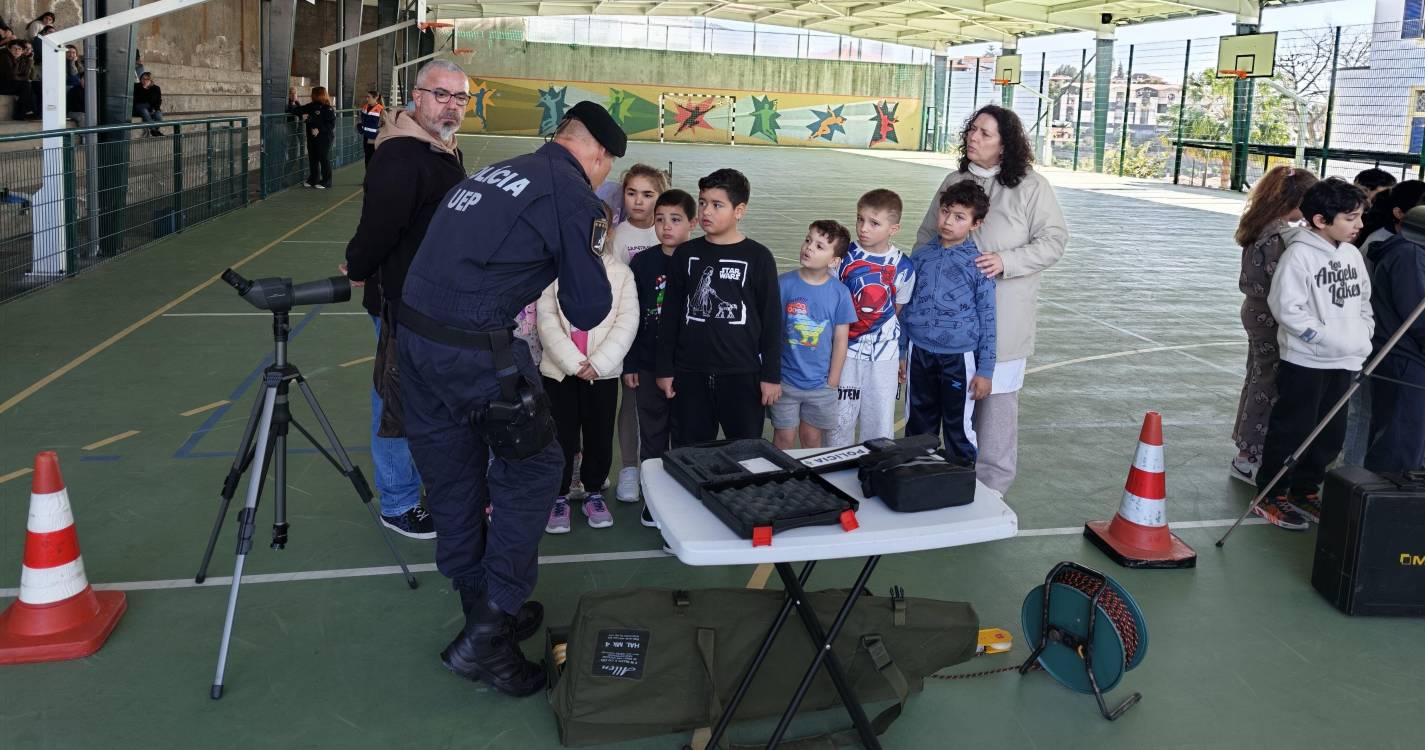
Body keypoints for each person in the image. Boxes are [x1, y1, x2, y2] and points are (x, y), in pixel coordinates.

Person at [397, 100, 621, 697]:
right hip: (475, 351)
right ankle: (488, 632)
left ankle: (481, 609)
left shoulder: (499, 169)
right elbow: (589, 307)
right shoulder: (572, 196)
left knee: (452, 477)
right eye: (607, 168)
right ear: (596, 154)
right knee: (536, 471)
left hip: (413, 344)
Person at [342, 60, 468, 540]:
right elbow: (379, 227)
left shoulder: (443, 148)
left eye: (460, 98)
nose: (451, 105)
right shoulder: (402, 157)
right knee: (393, 402)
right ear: (417, 96)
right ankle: (397, 502)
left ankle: (422, 486)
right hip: (402, 303)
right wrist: (359, 265)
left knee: (423, 401)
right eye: (441, 95)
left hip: (431, 303)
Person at [915, 105, 1067, 493]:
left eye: (984, 133)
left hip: (1004, 317)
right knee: (945, 406)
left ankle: (992, 489)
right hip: (946, 327)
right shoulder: (955, 180)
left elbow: (1053, 241)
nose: (973, 137)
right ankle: (939, 480)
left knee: (995, 407)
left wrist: (1006, 261)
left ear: (1005, 145)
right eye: (972, 130)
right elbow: (925, 238)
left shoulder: (1031, 187)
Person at [1255, 177, 1373, 530]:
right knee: (1293, 427)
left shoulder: (1352, 254)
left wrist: (1362, 333)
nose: (1360, 225)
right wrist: (1321, 337)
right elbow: (1287, 308)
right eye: (1351, 218)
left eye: (1360, 217)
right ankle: (1271, 493)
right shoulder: (1299, 255)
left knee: (1330, 431)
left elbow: (1364, 300)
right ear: (1321, 220)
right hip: (1307, 360)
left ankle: (1305, 490)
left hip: (1348, 358)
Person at [656, 169, 782, 446]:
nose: (705, 211)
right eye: (702, 202)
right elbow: (671, 315)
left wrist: (771, 375)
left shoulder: (759, 257)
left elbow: (772, 320)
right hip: (690, 374)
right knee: (689, 451)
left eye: (717, 205)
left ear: (739, 210)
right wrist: (665, 368)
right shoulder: (685, 255)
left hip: (742, 374)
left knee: (745, 452)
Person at [539, 226, 639, 533]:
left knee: (599, 434)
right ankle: (558, 496)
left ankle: (593, 491)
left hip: (603, 374)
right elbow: (547, 320)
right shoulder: (553, 270)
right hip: (560, 373)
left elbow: (627, 321)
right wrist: (572, 362)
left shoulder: (621, 274)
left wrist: (599, 363)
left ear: (606, 233)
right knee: (561, 436)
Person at [1229, 166, 1318, 483]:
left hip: (1257, 312)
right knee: (1267, 385)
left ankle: (1246, 448)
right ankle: (1250, 455)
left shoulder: (1262, 224)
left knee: (1258, 378)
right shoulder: (1280, 236)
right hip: (1271, 316)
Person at [903, 182, 997, 463]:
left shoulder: (979, 265)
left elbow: (989, 319)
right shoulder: (920, 257)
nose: (948, 221)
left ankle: (961, 482)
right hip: (918, 353)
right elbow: (907, 308)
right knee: (918, 423)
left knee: (958, 427)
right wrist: (900, 351)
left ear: (975, 224)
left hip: (959, 359)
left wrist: (986, 370)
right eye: (945, 212)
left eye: (959, 217)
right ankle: (918, 478)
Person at [625, 189, 695, 527]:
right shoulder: (643, 263)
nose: (666, 226)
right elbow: (633, 316)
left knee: (685, 432)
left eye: (676, 219)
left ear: (692, 224)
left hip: (688, 367)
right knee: (652, 433)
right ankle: (654, 498)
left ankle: (682, 495)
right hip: (649, 364)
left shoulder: (699, 261)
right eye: (660, 219)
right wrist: (631, 363)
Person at [830, 189, 915, 447]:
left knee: (878, 422)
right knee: (838, 420)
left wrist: (898, 352)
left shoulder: (903, 267)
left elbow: (896, 311)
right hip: (845, 354)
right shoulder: (842, 257)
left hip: (884, 360)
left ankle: (876, 473)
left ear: (894, 228)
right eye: (860, 219)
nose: (863, 228)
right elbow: (831, 302)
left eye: (874, 223)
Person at [606, 164, 669, 503]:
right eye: (632, 194)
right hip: (626, 334)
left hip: (662, 335)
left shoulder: (669, 234)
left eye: (648, 195)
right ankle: (629, 467)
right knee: (630, 400)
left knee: (661, 403)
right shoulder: (617, 237)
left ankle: (657, 466)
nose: (639, 202)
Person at [772, 221, 855, 450]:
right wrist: (771, 375)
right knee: (784, 438)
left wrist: (833, 381)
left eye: (820, 246)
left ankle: (810, 483)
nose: (808, 247)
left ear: (834, 260)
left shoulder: (840, 293)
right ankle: (779, 481)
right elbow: (771, 332)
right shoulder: (783, 285)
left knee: (811, 438)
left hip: (820, 385)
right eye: (808, 240)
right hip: (785, 382)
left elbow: (840, 339)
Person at [1364, 218, 1425, 473]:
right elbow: (1417, 316)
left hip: (1405, 355)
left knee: (1404, 434)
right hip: (1404, 358)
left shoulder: (1410, 252)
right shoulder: (1409, 256)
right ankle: (1389, 502)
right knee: (1400, 439)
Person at [300, 86, 336, 189]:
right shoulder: (311, 106)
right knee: (313, 158)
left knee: (323, 158)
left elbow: (331, 125)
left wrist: (319, 129)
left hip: (325, 138)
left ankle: (326, 181)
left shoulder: (327, 108)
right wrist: (293, 103)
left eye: (313, 93)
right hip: (312, 137)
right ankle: (313, 179)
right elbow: (299, 110)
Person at [1, 39, 38, 120]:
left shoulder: (24, 58)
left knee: (37, 85)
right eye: (14, 48)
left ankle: (36, 112)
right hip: (3, 84)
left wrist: (30, 60)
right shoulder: (4, 56)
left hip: (14, 84)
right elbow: (12, 76)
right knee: (26, 85)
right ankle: (20, 113)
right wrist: (16, 60)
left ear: (22, 51)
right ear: (9, 49)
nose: (17, 51)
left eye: (19, 49)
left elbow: (29, 76)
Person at [132, 71, 164, 136]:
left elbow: (158, 100)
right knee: (143, 109)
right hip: (138, 108)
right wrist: (144, 88)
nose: (144, 81)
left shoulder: (156, 88)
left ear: (151, 80)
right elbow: (136, 100)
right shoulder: (136, 86)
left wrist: (156, 109)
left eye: (147, 79)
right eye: (143, 78)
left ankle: (154, 130)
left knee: (158, 116)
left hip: (152, 108)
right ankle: (153, 130)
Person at [358, 89, 384, 166]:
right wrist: (359, 127)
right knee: (367, 159)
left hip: (375, 139)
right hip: (366, 137)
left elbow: (385, 125)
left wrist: (378, 133)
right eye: (366, 97)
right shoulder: (365, 107)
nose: (367, 99)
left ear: (375, 97)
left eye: (369, 97)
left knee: (374, 160)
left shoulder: (381, 110)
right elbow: (359, 119)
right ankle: (369, 176)